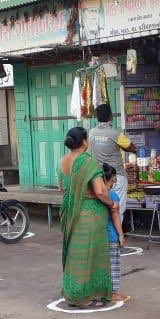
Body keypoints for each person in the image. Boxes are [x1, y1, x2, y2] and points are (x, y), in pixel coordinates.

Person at [59, 127, 118, 308]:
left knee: (75, 255)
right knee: (91, 256)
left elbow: (62, 188)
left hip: (71, 213)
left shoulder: (63, 162)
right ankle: (86, 296)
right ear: (84, 141)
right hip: (90, 214)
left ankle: (73, 295)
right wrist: (111, 204)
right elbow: (100, 191)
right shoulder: (89, 162)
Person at [88, 103, 136, 220]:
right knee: (118, 208)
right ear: (111, 116)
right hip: (116, 177)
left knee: (104, 208)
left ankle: (107, 234)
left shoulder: (92, 133)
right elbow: (132, 148)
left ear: (97, 117)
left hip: (100, 177)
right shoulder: (115, 133)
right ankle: (117, 235)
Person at [101, 164, 131, 303]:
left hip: (98, 236)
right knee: (114, 264)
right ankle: (113, 292)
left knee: (101, 265)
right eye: (114, 179)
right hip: (111, 236)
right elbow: (115, 216)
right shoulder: (112, 195)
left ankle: (101, 290)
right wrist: (121, 235)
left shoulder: (95, 195)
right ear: (110, 178)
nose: (115, 182)